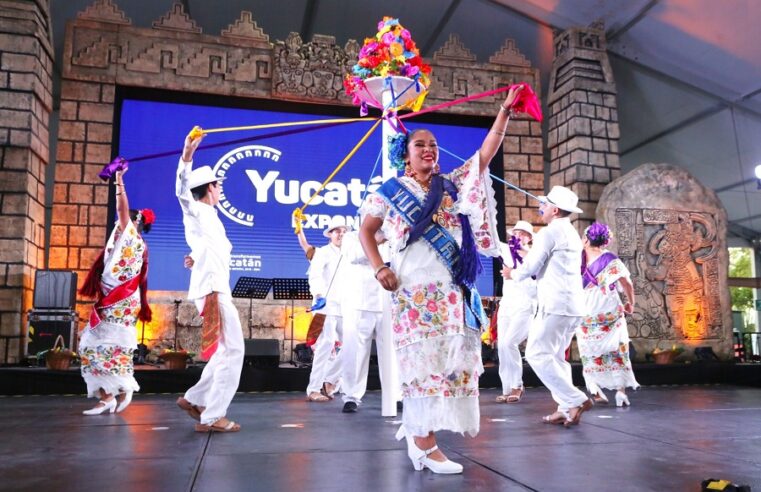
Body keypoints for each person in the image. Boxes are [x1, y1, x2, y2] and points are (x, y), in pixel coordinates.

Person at [359, 86, 523, 474]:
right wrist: (379, 267)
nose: (429, 149)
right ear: (407, 153)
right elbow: (366, 231)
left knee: (451, 363)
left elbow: (485, 155)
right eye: (420, 145)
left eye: (433, 144)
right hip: (413, 290)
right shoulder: (389, 191)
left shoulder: (451, 185)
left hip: (450, 290)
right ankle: (424, 445)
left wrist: (504, 111)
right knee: (422, 364)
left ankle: (422, 434)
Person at [502, 185, 593, 427]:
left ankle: (575, 398)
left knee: (535, 354)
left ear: (554, 210)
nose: (540, 207)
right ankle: (565, 408)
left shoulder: (549, 232)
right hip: (572, 306)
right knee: (555, 356)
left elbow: (531, 267)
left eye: (544, 204)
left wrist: (512, 273)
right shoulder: (571, 232)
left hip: (556, 305)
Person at [174, 133, 244, 433]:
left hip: (215, 288)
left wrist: (193, 256)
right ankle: (213, 415)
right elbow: (181, 191)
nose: (220, 189)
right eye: (218, 185)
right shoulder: (198, 210)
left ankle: (195, 399)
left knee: (224, 351)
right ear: (210, 188)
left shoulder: (210, 217)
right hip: (213, 291)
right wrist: (187, 154)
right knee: (233, 351)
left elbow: (205, 247)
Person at [78, 167, 153, 415]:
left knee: (97, 346)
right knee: (95, 346)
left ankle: (112, 393)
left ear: (133, 223)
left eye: (121, 221)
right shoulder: (128, 241)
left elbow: (122, 210)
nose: (116, 225)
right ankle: (113, 392)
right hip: (116, 298)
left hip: (119, 301)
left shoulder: (131, 238)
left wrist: (119, 181)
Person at [576, 222, 639, 406]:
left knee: (588, 351)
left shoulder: (576, 260)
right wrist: (631, 304)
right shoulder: (611, 260)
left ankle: (595, 389)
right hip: (609, 311)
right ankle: (620, 393)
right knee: (618, 350)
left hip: (586, 311)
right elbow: (627, 284)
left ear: (586, 240)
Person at [339, 226, 393, 413]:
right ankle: (351, 396)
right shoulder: (352, 237)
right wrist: (375, 240)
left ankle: (396, 395)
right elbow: (354, 256)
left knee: (392, 353)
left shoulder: (394, 235)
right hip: (360, 302)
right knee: (356, 353)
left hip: (388, 302)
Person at [306, 217, 349, 402]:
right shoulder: (322, 253)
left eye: (343, 231)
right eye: (336, 230)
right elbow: (314, 276)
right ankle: (313, 389)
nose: (340, 234)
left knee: (353, 345)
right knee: (326, 344)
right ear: (330, 235)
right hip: (325, 306)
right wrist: (318, 295)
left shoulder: (350, 254)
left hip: (345, 306)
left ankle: (330, 380)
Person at [495, 220, 537, 403]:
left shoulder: (534, 257)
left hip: (525, 305)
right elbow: (489, 240)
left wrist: (513, 275)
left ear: (529, 237)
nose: (517, 236)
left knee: (509, 343)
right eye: (515, 232)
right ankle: (506, 388)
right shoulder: (506, 251)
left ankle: (517, 386)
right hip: (507, 305)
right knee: (502, 346)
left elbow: (535, 286)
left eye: (522, 233)